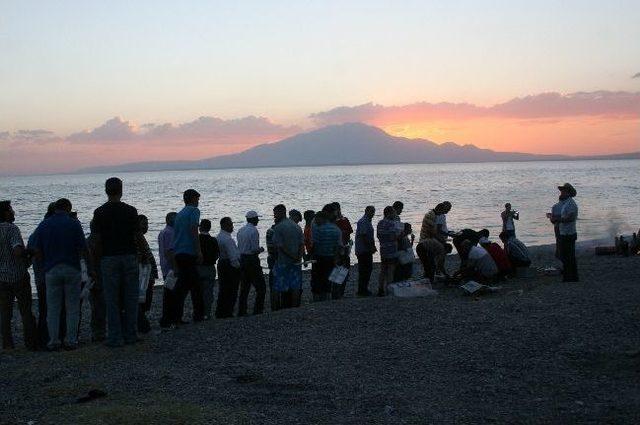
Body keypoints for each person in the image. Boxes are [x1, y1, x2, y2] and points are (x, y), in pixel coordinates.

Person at [91, 177, 141, 347]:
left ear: (106, 191)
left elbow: (96, 240)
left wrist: (96, 262)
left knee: (111, 299)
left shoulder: (99, 212)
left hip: (109, 258)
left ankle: (115, 336)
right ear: (121, 190)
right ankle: (131, 334)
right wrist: (141, 255)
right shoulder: (130, 211)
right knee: (131, 297)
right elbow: (137, 236)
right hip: (129, 255)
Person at [33, 198, 88, 350]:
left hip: (51, 269)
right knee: (72, 307)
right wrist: (90, 268)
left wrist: (43, 266)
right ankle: (71, 340)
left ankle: (54, 341)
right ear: (68, 208)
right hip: (72, 268)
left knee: (53, 308)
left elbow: (36, 249)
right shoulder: (73, 223)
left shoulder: (44, 224)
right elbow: (83, 247)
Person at [0, 201, 37, 351]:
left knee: (5, 312)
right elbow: (16, 251)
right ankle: (31, 343)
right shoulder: (12, 229)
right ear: (5, 213)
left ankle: (8, 344)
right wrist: (30, 252)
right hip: (18, 275)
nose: (13, 212)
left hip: (1, 278)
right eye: (11, 210)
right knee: (26, 310)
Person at [27, 202, 57, 348]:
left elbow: (30, 251)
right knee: (50, 308)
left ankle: (43, 338)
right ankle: (47, 338)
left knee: (45, 308)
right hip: (47, 274)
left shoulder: (38, 230)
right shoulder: (48, 229)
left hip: (41, 275)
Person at [172, 189, 204, 323]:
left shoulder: (179, 214)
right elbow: (193, 230)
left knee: (182, 286)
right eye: (197, 199)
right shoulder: (194, 211)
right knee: (196, 286)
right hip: (189, 252)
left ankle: (176, 316)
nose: (198, 202)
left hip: (179, 253)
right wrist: (199, 251)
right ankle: (198, 315)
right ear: (192, 199)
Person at [272, 204, 305, 308]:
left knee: (279, 286)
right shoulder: (297, 227)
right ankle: (295, 306)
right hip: (296, 262)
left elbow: (280, 247)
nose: (274, 216)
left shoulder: (279, 227)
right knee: (295, 285)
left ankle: (279, 308)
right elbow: (301, 244)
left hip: (283, 261)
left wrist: (291, 256)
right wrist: (298, 257)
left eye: (276, 213)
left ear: (282, 212)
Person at [237, 211, 266, 316]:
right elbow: (254, 249)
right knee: (261, 287)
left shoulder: (240, 230)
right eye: (257, 218)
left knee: (244, 287)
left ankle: (242, 311)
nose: (258, 220)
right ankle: (258, 310)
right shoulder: (254, 231)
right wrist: (261, 249)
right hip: (252, 260)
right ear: (253, 219)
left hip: (242, 259)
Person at [311, 208, 342, 301]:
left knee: (317, 279)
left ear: (323, 218)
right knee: (328, 279)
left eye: (317, 219)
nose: (315, 221)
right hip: (331, 257)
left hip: (319, 257)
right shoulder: (336, 229)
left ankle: (317, 299)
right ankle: (327, 298)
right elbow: (338, 246)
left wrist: (312, 255)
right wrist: (336, 258)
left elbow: (315, 244)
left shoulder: (318, 229)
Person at [552, 183, 579, 282]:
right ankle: (569, 276)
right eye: (561, 191)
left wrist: (557, 220)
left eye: (563, 191)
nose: (561, 192)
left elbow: (570, 218)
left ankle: (571, 277)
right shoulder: (567, 203)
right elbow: (566, 217)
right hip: (565, 233)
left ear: (567, 193)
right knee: (566, 255)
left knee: (569, 256)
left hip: (569, 233)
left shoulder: (571, 204)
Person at [136, 215, 158, 334]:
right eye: (144, 224)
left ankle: (140, 323)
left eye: (147, 224)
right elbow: (143, 259)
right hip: (143, 277)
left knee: (145, 301)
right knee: (142, 301)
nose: (146, 227)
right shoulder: (138, 240)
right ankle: (142, 326)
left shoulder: (142, 239)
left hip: (147, 276)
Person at [85, 220, 106, 341]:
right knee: (100, 305)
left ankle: (96, 331)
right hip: (98, 275)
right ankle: (99, 331)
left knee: (95, 305)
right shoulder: (99, 242)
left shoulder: (88, 241)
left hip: (91, 276)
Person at [376, 206, 404, 296]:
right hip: (391, 249)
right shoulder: (392, 224)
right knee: (391, 270)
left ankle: (380, 289)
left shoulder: (379, 223)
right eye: (393, 213)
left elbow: (378, 236)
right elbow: (393, 237)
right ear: (389, 213)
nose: (394, 214)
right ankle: (389, 289)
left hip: (383, 248)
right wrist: (401, 235)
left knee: (383, 269)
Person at [216, 217, 241, 318]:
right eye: (230, 224)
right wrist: (239, 267)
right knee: (232, 289)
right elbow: (233, 258)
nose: (232, 226)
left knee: (223, 289)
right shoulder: (228, 239)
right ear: (224, 226)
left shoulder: (219, 237)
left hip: (221, 263)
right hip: (229, 266)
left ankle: (220, 311)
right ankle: (228, 311)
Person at [158, 212, 177, 329]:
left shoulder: (162, 232)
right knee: (171, 294)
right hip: (171, 268)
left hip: (165, 267)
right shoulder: (170, 233)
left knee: (168, 294)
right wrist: (175, 267)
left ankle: (167, 319)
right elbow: (170, 252)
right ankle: (168, 320)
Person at [197, 219, 219, 320]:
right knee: (208, 291)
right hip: (209, 267)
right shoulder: (213, 240)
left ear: (200, 227)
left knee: (198, 292)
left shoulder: (195, 239)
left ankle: (198, 313)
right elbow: (217, 254)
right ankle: (207, 313)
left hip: (198, 267)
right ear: (209, 228)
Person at [355, 206, 376, 296]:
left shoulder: (366, 221)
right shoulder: (363, 221)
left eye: (373, 212)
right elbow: (364, 236)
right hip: (363, 250)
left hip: (365, 249)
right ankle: (362, 290)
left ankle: (363, 289)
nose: (372, 213)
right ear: (366, 211)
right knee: (365, 270)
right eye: (371, 211)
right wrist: (370, 247)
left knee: (366, 269)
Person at [393, 201, 414, 282]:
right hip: (398, 244)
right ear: (397, 208)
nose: (401, 211)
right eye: (401, 209)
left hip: (394, 244)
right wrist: (405, 233)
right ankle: (401, 280)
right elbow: (398, 233)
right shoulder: (396, 218)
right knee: (402, 264)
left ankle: (397, 279)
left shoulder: (388, 219)